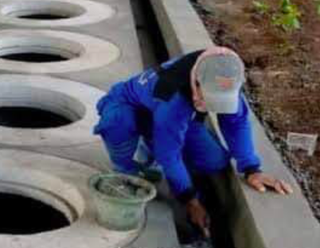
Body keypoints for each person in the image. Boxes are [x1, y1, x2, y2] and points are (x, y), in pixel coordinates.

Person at [94, 47, 292, 238]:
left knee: (215, 161)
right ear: (196, 84)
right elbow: (169, 155)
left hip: (180, 118)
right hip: (130, 108)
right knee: (118, 122)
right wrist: (190, 200)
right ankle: (128, 169)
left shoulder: (225, 72)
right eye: (210, 99)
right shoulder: (173, 95)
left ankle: (156, 147)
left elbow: (236, 122)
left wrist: (251, 169)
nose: (214, 106)